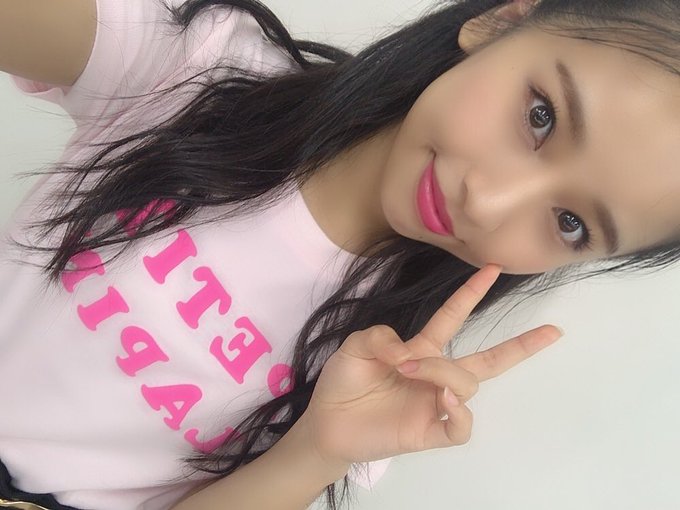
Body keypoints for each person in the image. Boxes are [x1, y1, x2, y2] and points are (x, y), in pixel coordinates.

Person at [1, 0, 678, 508]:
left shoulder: (386, 371)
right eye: (541, 116)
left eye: (569, 223)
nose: (489, 202)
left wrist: (317, 450)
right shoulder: (202, 73)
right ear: (502, 21)